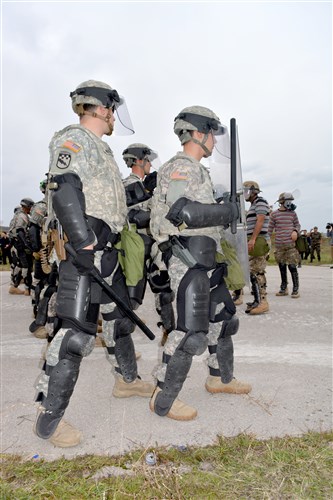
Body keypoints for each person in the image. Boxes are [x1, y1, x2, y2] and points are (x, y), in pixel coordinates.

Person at [34, 80, 154, 448]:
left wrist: (146, 187)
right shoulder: (73, 140)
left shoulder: (102, 151)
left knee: (118, 322)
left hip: (109, 249)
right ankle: (49, 420)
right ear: (100, 108)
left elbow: (110, 198)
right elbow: (65, 187)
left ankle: (127, 381)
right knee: (74, 336)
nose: (115, 116)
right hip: (85, 249)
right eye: (112, 109)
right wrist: (81, 240)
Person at [149, 105, 251, 421]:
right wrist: (227, 212)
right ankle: (162, 399)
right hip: (186, 257)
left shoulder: (199, 170)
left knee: (223, 319)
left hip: (207, 256)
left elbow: (200, 213)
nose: (215, 142)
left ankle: (220, 379)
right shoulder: (181, 168)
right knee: (190, 332)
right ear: (197, 133)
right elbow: (181, 214)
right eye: (211, 134)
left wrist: (223, 207)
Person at [121, 143, 174, 346]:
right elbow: (132, 216)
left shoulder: (145, 186)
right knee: (132, 296)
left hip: (149, 244)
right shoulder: (129, 185)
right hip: (135, 245)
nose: (151, 164)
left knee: (162, 287)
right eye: (148, 160)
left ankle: (169, 330)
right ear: (139, 161)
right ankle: (118, 339)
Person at [241, 180, 270, 315]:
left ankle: (263, 302)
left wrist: (252, 239)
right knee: (253, 271)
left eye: (246, 191)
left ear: (253, 191)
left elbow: (261, 219)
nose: (245, 194)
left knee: (257, 271)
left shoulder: (260, 202)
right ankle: (257, 300)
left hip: (259, 240)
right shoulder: (253, 205)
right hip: (254, 240)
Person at [268, 192, 301, 298]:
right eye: (289, 201)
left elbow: (297, 224)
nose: (290, 203)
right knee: (282, 266)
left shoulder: (292, 213)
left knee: (292, 266)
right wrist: (266, 241)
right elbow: (269, 229)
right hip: (279, 245)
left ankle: (295, 289)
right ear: (282, 201)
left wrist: (296, 231)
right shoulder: (274, 214)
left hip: (290, 245)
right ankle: (284, 287)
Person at [8, 198, 34, 295]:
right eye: (30, 207)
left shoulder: (17, 216)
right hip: (20, 244)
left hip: (18, 243)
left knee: (22, 265)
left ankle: (20, 287)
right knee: (25, 266)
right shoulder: (22, 216)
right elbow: (20, 231)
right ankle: (19, 287)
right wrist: (26, 244)